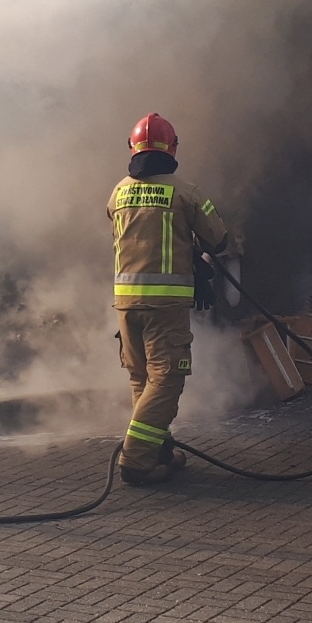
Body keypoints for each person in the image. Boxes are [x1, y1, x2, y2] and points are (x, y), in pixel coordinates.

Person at [108, 113, 229, 486]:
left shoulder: (117, 192)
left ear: (132, 149)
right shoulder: (185, 192)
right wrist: (195, 252)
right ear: (172, 148)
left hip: (126, 305)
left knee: (141, 378)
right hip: (166, 306)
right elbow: (219, 239)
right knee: (166, 379)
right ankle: (136, 458)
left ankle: (158, 449)